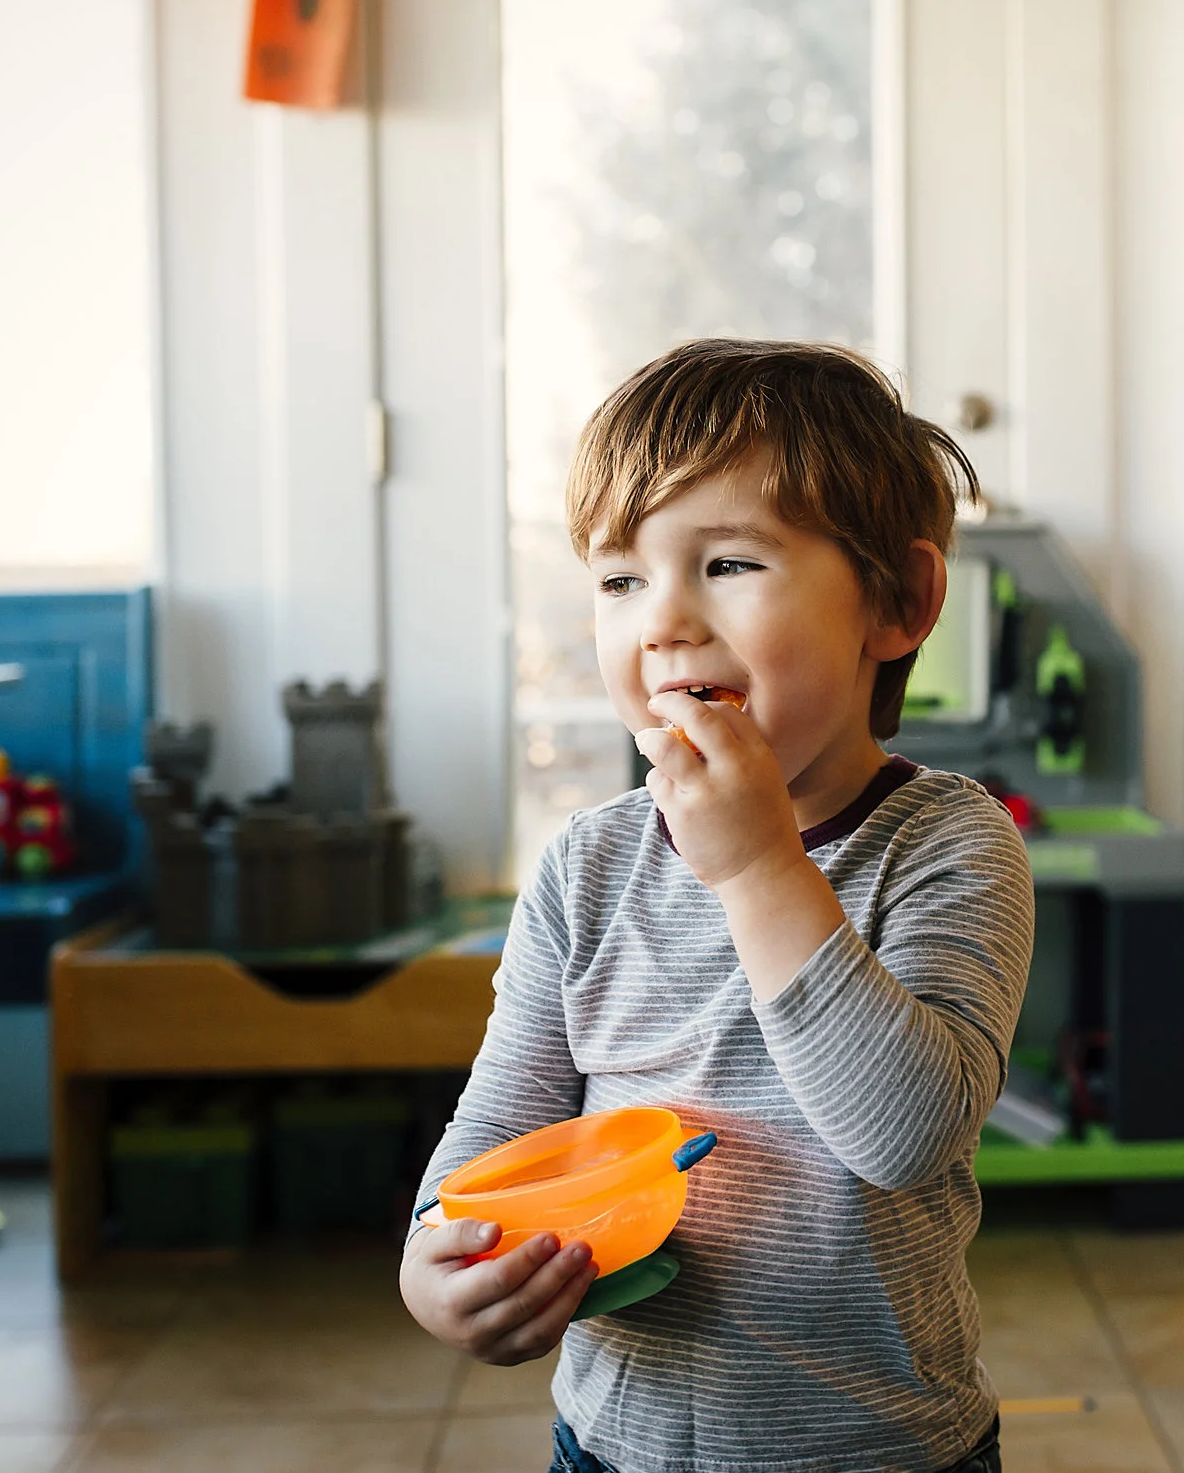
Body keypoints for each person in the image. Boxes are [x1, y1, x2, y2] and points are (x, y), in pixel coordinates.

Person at [402, 338, 1037, 1473]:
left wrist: (758, 869)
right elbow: (501, 1125)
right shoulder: (585, 867)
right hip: (612, 1446)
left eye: (729, 562)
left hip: (879, 1452)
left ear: (899, 601)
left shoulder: (947, 844)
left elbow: (905, 1136)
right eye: (620, 580)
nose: (662, 620)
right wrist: (434, 1258)